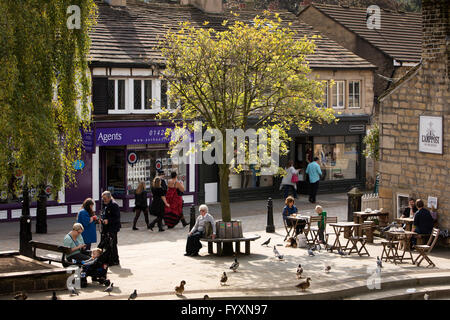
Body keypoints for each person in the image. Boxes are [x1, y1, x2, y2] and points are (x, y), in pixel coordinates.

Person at [100, 191, 121, 266]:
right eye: (103, 198)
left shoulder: (114, 205)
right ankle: (108, 259)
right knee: (106, 245)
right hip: (105, 228)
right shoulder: (105, 204)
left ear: (109, 197)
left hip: (113, 228)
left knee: (113, 244)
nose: (103, 200)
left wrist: (108, 220)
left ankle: (115, 260)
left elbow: (117, 218)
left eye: (105, 198)